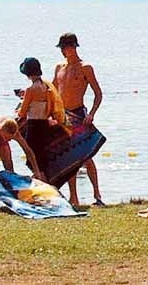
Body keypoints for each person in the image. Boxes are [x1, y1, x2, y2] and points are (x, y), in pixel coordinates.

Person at [53, 32, 104, 206]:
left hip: (79, 115)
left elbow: (98, 94)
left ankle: (97, 195)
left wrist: (92, 114)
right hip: (63, 117)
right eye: (61, 48)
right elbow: (52, 91)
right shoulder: (59, 67)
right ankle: (73, 197)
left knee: (86, 156)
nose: (62, 51)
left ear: (73, 47)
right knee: (68, 158)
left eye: (65, 48)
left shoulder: (86, 67)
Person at [16, 57, 64, 176]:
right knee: (41, 156)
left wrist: (20, 107)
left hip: (33, 126)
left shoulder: (30, 89)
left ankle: (39, 178)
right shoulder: (46, 86)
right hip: (44, 125)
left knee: (32, 156)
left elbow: (22, 113)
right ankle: (43, 178)